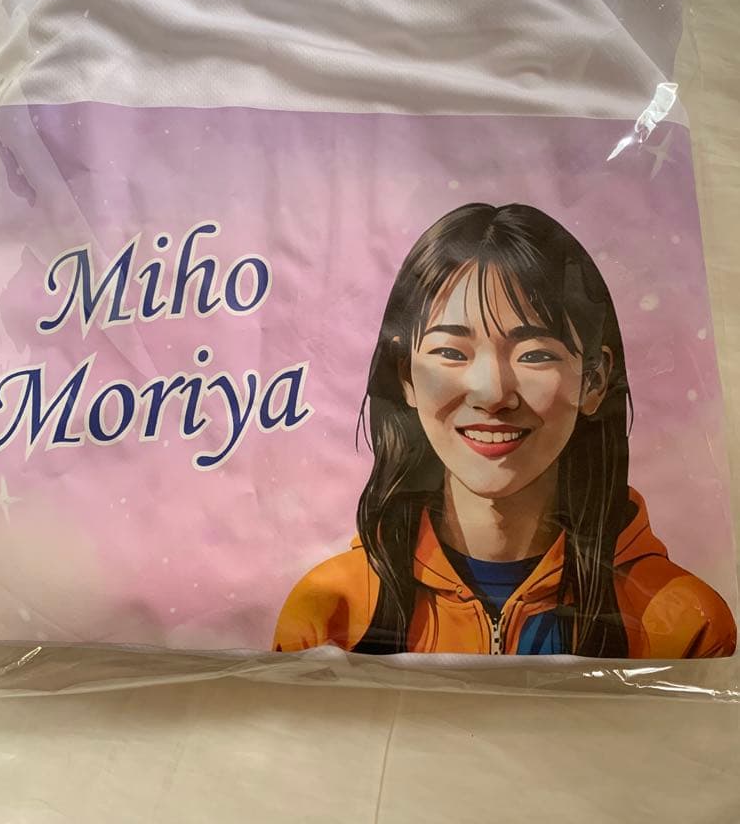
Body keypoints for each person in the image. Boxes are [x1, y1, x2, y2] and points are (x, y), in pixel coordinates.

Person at [273, 203, 737, 658]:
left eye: (535, 354)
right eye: (451, 352)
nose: (492, 392)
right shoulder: (331, 613)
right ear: (405, 376)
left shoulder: (684, 626)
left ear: (594, 381)